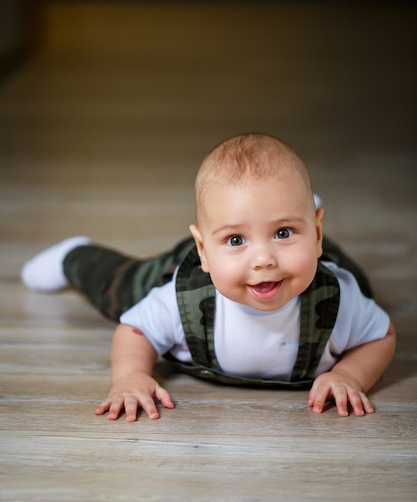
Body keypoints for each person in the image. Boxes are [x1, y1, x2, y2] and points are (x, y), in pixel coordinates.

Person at [21, 133, 396, 422]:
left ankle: (288, 208)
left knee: (357, 280)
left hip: (315, 262)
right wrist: (130, 376)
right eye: (237, 239)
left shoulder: (339, 299)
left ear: (315, 233)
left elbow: (381, 336)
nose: (263, 259)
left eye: (283, 233)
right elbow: (134, 330)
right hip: (196, 274)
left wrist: (350, 375)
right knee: (121, 288)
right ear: (203, 248)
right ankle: (74, 255)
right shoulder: (179, 300)